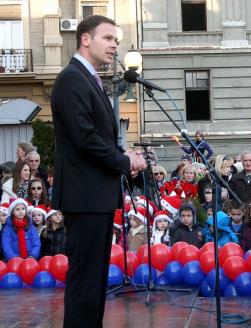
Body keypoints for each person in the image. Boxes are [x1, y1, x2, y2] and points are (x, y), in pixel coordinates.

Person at [50, 15, 146, 328]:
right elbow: (85, 137)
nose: (114, 45)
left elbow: (98, 137)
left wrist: (123, 154)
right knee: (85, 282)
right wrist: (124, 162)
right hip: (85, 196)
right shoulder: (71, 79)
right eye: (108, 38)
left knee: (94, 281)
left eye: (116, 40)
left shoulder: (89, 78)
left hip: (97, 195)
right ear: (86, 39)